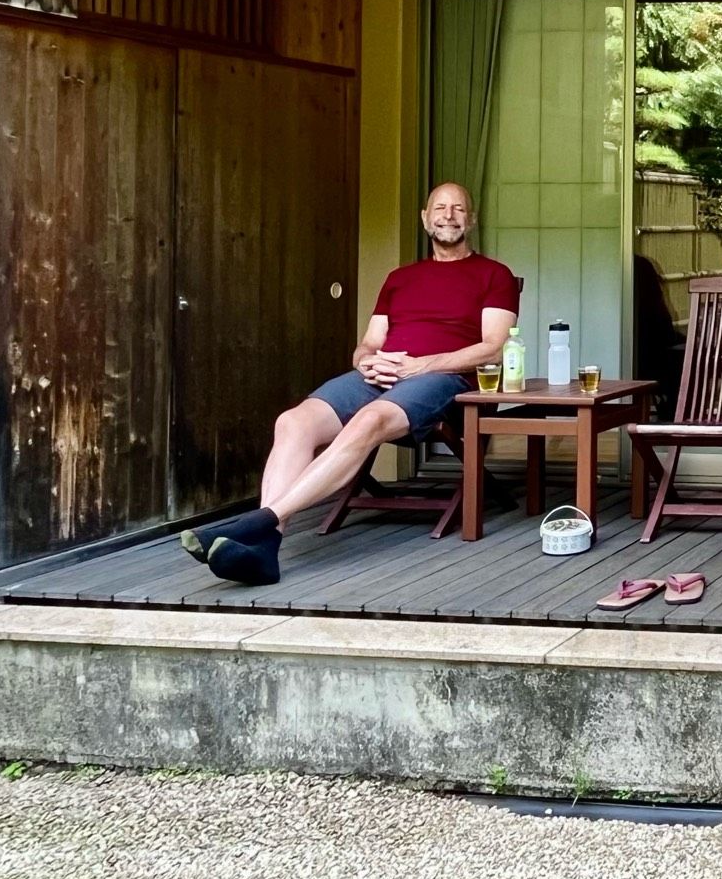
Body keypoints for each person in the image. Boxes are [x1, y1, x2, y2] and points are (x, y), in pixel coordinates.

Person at [179, 181, 519, 585]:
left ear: (472, 219)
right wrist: (368, 362)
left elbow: (493, 348)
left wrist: (422, 366)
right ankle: (266, 545)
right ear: (425, 219)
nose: (449, 215)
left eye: (459, 209)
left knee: (368, 420)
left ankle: (259, 523)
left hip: (441, 380)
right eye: (440, 208)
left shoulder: (493, 275)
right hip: (379, 375)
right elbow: (368, 344)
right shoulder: (399, 278)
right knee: (293, 422)